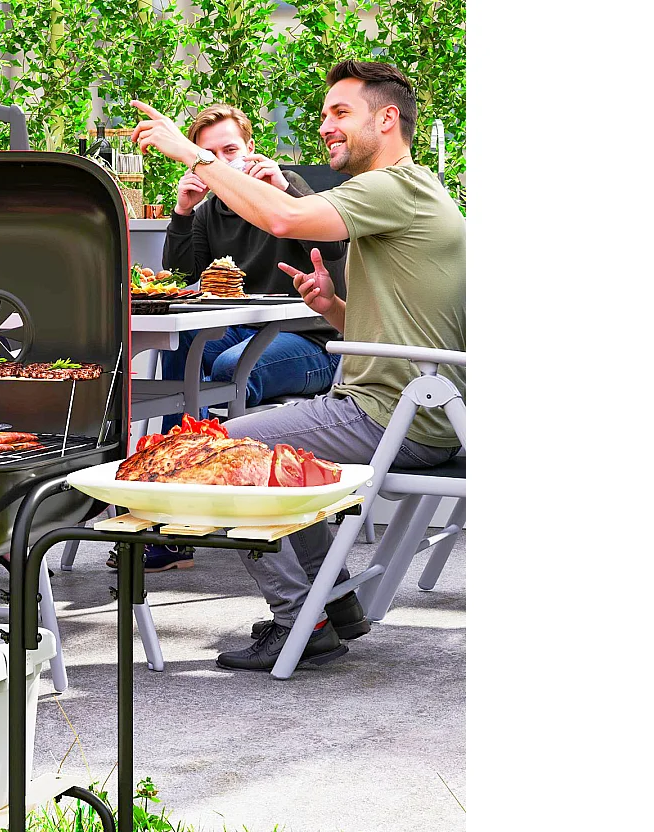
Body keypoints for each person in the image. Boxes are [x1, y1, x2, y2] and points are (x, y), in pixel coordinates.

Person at [130, 59, 465, 671]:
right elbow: (405, 334)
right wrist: (334, 307)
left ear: (386, 119)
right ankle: (330, 611)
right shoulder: (412, 194)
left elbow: (282, 216)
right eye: (324, 117)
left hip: (396, 416)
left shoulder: (396, 186)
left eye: (341, 113)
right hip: (410, 409)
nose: (327, 128)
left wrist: (192, 154)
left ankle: (298, 622)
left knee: (212, 453)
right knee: (270, 455)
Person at [138, 102, 349, 574]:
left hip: (313, 341)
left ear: (251, 148)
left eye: (230, 149)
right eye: (208, 153)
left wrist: (286, 188)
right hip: (243, 330)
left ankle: (223, 495)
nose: (221, 161)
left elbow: (335, 248)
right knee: (181, 352)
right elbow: (181, 276)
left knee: (230, 367)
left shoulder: (289, 193)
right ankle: (177, 508)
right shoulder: (212, 210)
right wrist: (182, 210)